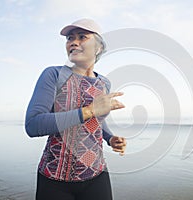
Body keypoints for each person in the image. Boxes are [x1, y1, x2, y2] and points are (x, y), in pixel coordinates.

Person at [25, 18, 127, 200]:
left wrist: (110, 138)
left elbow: (97, 121)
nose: (73, 42)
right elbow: (33, 125)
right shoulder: (54, 75)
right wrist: (88, 110)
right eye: (70, 38)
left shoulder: (104, 83)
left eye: (82, 37)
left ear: (99, 47)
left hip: (97, 174)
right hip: (55, 179)